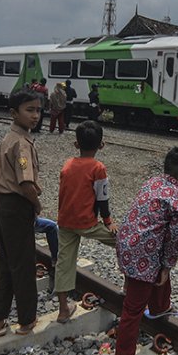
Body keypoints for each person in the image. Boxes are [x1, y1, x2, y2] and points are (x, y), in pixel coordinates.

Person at [112, 147, 178, 355]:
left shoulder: (154, 182)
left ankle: (160, 307)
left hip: (127, 244)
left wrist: (164, 266)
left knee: (157, 272)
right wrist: (168, 265)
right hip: (142, 254)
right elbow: (174, 239)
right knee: (133, 309)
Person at [0, 90, 43, 337]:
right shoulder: (22, 143)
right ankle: (26, 320)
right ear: (14, 113)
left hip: (1, 204)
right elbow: (26, 183)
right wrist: (36, 205)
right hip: (16, 205)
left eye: (38, 110)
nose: (35, 116)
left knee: (6, 261)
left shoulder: (10, 137)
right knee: (23, 264)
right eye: (29, 110)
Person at [55, 120, 117, 323]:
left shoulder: (67, 164)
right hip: (87, 223)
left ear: (76, 144)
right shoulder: (98, 168)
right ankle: (130, 282)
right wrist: (108, 221)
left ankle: (64, 309)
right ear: (101, 145)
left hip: (65, 222)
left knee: (64, 262)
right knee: (123, 241)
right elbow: (102, 199)